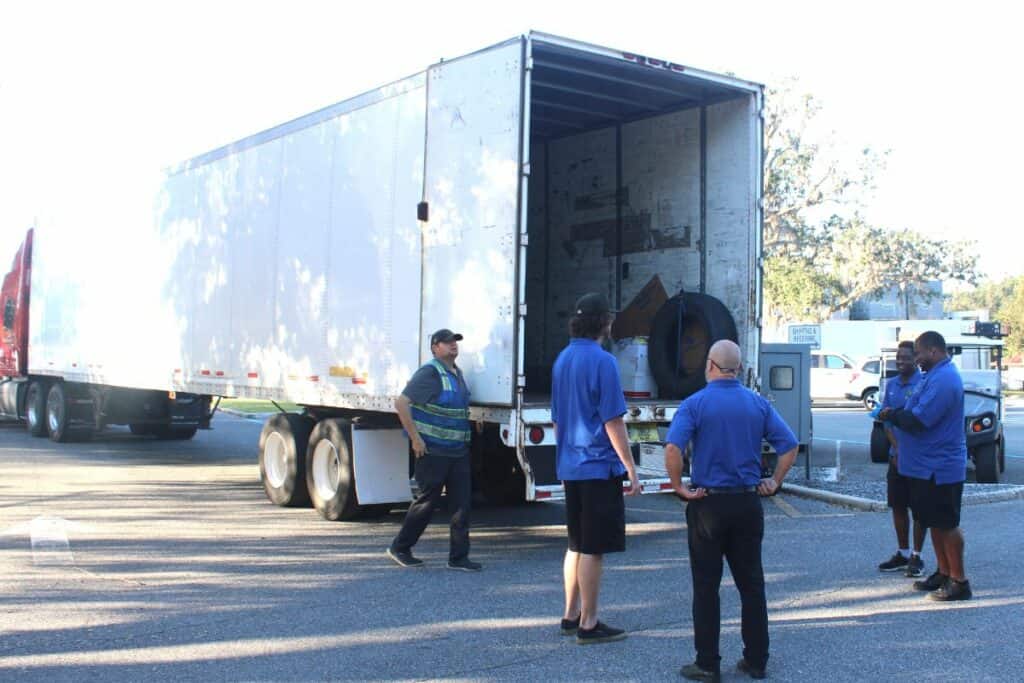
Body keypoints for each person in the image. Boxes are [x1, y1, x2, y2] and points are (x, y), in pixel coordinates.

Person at [665, 340, 798, 681]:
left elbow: (673, 448)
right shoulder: (758, 404)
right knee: (751, 584)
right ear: (738, 368)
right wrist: (775, 481)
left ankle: (707, 663)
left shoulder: (695, 404)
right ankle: (756, 660)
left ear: (710, 365)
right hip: (747, 502)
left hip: (708, 503)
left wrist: (679, 486)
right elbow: (789, 445)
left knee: (706, 587)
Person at [551, 292, 641, 645]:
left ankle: (570, 614)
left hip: (572, 464)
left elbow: (558, 420)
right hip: (597, 466)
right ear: (604, 321)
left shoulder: (562, 359)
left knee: (575, 544)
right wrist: (630, 466)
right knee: (593, 548)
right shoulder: (604, 362)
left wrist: (564, 458)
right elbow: (612, 421)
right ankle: (589, 623)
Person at [879, 331, 971, 601]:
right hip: (924, 466)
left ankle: (959, 581)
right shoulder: (932, 376)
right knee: (933, 521)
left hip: (940, 467)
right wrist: (896, 415)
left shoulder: (944, 380)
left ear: (933, 351)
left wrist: (891, 415)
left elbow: (918, 420)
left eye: (918, 353)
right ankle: (943, 572)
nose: (916, 359)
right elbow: (911, 409)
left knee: (947, 524)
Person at [387, 329, 481, 572]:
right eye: (447, 342)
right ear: (435, 347)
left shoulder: (457, 374)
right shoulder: (430, 373)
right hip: (433, 451)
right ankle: (400, 547)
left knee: (462, 505)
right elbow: (401, 403)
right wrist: (415, 439)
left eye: (455, 341)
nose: (453, 345)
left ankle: (458, 557)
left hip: (457, 451)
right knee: (426, 503)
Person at [876, 341, 928, 577]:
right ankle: (903, 552)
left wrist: (906, 452)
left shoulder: (923, 383)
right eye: (898, 358)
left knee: (919, 508)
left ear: (915, 359)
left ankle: (917, 556)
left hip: (917, 458)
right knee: (898, 505)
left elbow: (921, 421)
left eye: (906, 358)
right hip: (896, 457)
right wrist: (897, 450)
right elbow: (886, 420)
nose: (900, 362)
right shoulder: (892, 384)